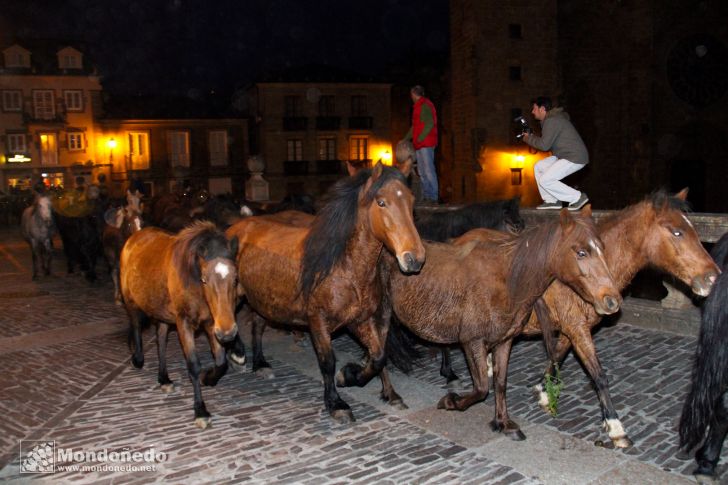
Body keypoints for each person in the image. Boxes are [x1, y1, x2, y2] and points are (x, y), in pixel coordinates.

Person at [522, 96, 589, 210]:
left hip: (574, 157)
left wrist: (528, 138)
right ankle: (551, 200)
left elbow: (544, 145)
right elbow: (547, 142)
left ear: (542, 109)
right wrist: (531, 137)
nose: (532, 112)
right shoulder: (552, 120)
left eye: (534, 108)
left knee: (546, 180)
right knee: (539, 166)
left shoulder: (552, 121)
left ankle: (577, 198)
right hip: (564, 155)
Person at [405, 85, 439, 204]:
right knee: (422, 171)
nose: (411, 97)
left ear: (414, 94)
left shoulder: (424, 105)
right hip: (420, 144)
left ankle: (433, 197)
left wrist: (419, 138)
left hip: (426, 143)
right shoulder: (418, 107)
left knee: (428, 170)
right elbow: (415, 127)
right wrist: (405, 139)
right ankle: (426, 196)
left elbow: (429, 124)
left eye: (411, 94)